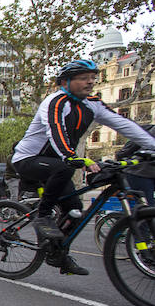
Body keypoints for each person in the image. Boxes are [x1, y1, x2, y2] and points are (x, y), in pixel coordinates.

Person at [12, 59, 155, 275]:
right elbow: (56, 130)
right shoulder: (55, 101)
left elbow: (125, 125)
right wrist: (72, 157)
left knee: (75, 210)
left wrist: (152, 146)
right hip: (28, 159)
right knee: (64, 168)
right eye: (83, 78)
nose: (90, 82)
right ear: (65, 82)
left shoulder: (93, 104)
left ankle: (58, 253)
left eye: (92, 78)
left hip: (59, 163)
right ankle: (43, 214)